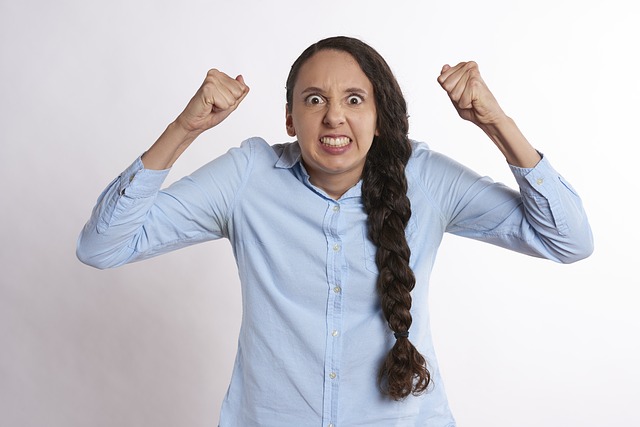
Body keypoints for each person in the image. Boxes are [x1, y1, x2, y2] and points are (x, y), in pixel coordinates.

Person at [77, 36, 593, 427]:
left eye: (353, 99)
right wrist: (184, 129)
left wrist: (496, 122)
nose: (333, 118)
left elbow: (567, 240)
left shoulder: (426, 178)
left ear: (379, 115)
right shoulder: (248, 177)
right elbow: (103, 246)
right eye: (314, 100)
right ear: (288, 118)